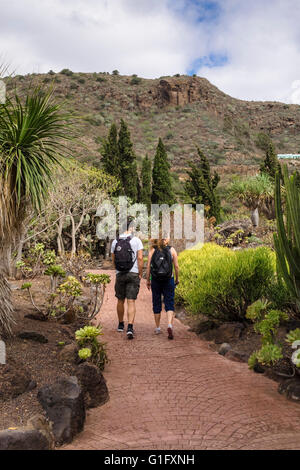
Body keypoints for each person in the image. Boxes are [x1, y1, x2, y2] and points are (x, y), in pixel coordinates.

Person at [111, 218, 143, 339]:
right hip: (133, 273)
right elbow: (140, 258)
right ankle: (130, 327)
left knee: (120, 300)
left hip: (120, 273)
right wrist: (140, 273)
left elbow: (113, 259)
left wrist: (117, 270)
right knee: (131, 301)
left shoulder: (115, 241)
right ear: (132, 228)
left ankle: (120, 324)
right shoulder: (136, 240)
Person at [146, 238, 179, 340]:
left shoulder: (153, 250)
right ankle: (169, 325)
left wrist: (148, 280)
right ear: (167, 241)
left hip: (156, 280)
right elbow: (176, 266)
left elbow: (148, 267)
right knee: (169, 302)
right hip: (169, 279)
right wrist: (177, 279)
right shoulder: (172, 250)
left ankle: (158, 327)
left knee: (156, 302)